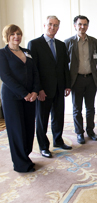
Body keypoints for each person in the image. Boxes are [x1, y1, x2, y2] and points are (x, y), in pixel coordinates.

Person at [28, 16, 72, 158]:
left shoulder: (61, 44)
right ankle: (43, 147)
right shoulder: (34, 44)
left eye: (56, 25)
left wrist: (67, 85)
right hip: (43, 90)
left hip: (59, 88)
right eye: (50, 24)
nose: (52, 27)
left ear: (58, 27)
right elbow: (33, 69)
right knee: (42, 119)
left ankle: (58, 140)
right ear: (44, 25)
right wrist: (38, 89)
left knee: (58, 117)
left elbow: (65, 66)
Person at [0, 25, 39, 172]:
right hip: (12, 97)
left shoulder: (27, 52)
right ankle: (21, 164)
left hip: (29, 97)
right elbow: (5, 77)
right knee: (16, 130)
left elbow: (35, 73)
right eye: (12, 34)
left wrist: (35, 91)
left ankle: (26, 156)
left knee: (29, 128)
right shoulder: (2, 54)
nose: (16, 36)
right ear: (7, 36)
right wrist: (24, 93)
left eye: (18, 34)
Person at [64, 15, 97, 144]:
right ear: (75, 26)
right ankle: (79, 133)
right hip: (76, 80)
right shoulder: (68, 42)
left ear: (88, 26)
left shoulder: (94, 41)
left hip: (91, 79)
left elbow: (96, 58)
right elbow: (65, 63)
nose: (82, 27)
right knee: (77, 108)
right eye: (80, 24)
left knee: (90, 108)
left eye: (85, 24)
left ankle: (90, 131)